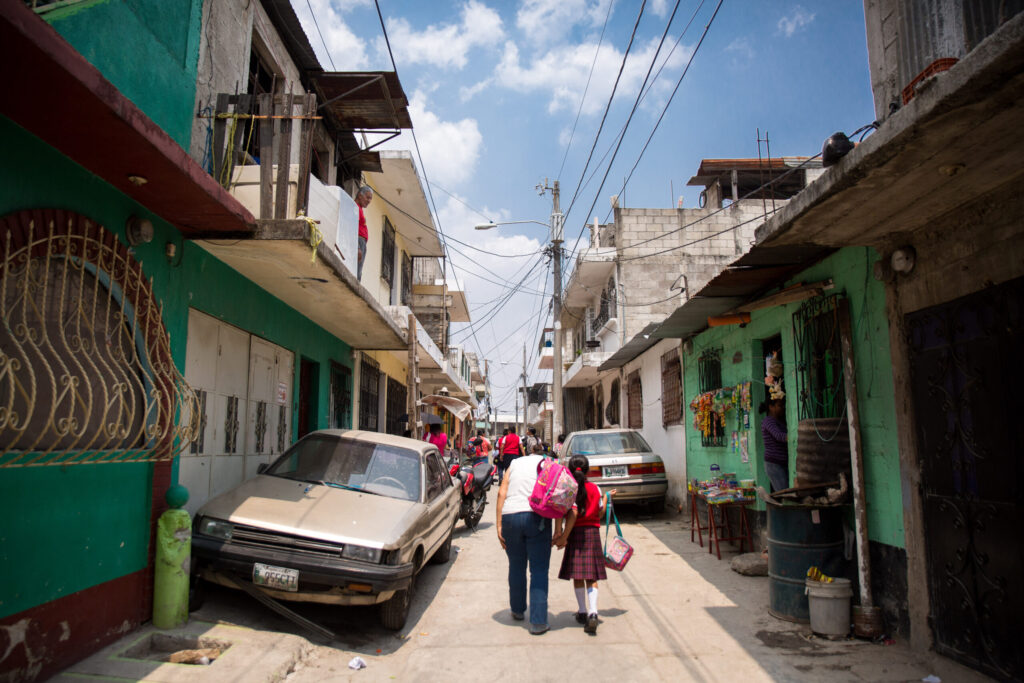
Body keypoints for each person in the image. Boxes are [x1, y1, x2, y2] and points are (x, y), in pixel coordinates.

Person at [553, 455, 615, 635]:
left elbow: (563, 511)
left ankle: (581, 611)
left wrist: (560, 534)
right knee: (592, 576)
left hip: (574, 533)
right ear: (587, 470)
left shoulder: (567, 488)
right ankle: (593, 613)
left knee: (578, 575)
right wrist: (606, 499)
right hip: (592, 533)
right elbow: (600, 512)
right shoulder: (595, 488)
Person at [495, 448, 553, 635]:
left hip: (510, 516)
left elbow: (501, 493)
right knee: (539, 570)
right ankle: (538, 622)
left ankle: (517, 610)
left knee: (516, 565)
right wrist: (559, 529)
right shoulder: (548, 464)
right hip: (537, 518)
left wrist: (498, 525)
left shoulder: (514, 463)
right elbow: (556, 494)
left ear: (526, 452)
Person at [760, 398, 788, 492]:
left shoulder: (779, 422)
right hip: (774, 464)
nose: (783, 408)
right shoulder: (768, 421)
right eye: (779, 406)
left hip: (781, 463)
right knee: (784, 494)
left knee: (786, 492)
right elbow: (779, 436)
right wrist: (794, 436)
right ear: (771, 407)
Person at [354, 185, 373, 280]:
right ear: (360, 196)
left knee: (359, 271)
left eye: (370, 199)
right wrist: (357, 246)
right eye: (368, 197)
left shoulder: (359, 209)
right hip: (358, 241)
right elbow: (353, 225)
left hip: (362, 242)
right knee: (356, 271)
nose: (369, 201)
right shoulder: (355, 207)